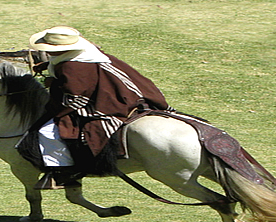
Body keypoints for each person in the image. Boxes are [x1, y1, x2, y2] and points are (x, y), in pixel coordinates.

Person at [27, 26, 173, 190]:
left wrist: (52, 88)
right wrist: (47, 66)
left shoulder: (73, 66)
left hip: (109, 101)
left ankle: (64, 173)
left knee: (47, 131)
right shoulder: (88, 51)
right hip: (129, 92)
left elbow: (76, 99)